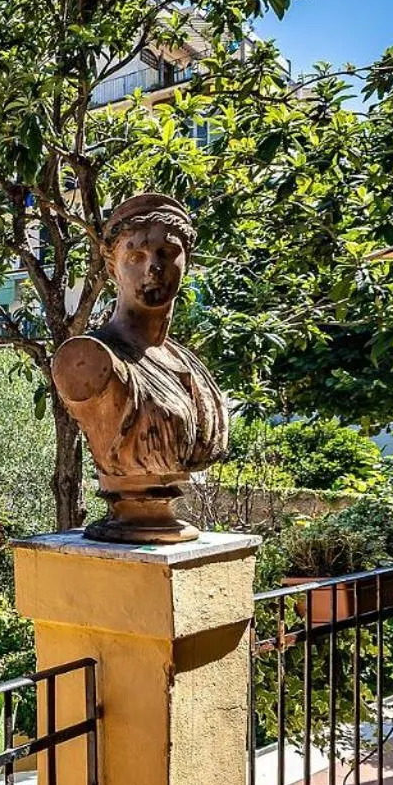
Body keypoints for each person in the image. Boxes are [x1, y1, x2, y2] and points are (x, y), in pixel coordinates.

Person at [52, 192, 228, 542]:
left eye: (168, 252)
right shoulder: (87, 358)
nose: (154, 267)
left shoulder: (186, 363)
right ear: (112, 267)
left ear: (187, 261)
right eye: (136, 256)